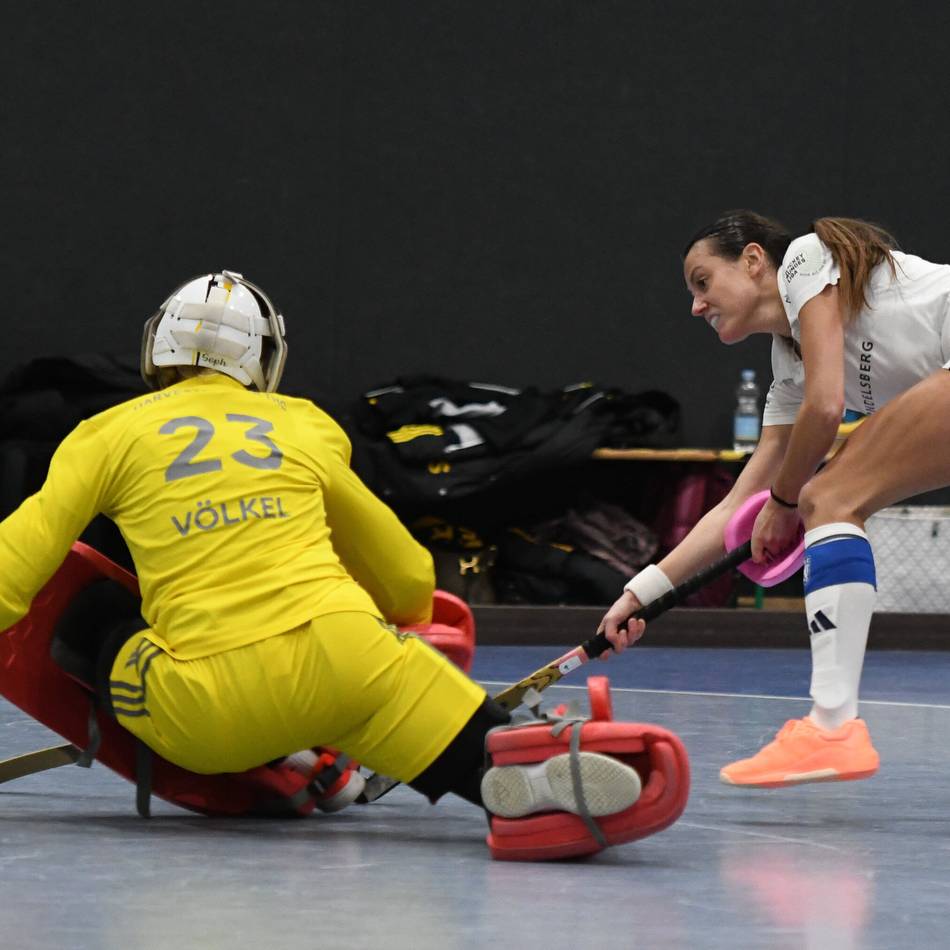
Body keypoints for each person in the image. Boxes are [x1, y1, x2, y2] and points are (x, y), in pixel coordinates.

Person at [0, 270, 643, 838]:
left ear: (157, 344)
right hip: (343, 659)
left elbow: (12, 576)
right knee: (414, 700)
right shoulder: (303, 422)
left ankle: (289, 752)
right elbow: (410, 579)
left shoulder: (106, 433)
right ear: (264, 358)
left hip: (204, 704)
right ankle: (503, 769)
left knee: (96, 616)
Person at [600, 211, 950, 787]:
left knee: (829, 497)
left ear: (755, 261)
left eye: (702, 281)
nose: (696, 305)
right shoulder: (788, 367)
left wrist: (786, 502)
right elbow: (741, 500)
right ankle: (832, 726)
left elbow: (826, 408)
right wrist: (641, 593)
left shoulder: (807, 259)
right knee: (828, 498)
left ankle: (832, 728)